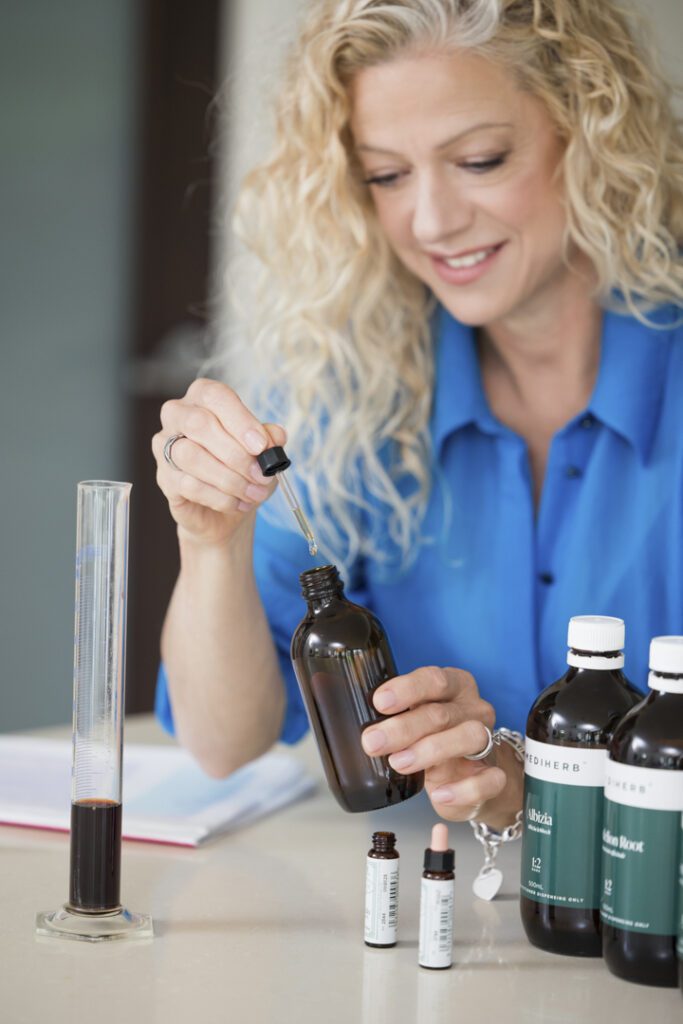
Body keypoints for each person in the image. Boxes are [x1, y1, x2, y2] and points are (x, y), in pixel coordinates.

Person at [152, 0, 683, 839]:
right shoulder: (351, 394)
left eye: (478, 159)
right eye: (387, 175)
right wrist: (210, 540)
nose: (430, 221)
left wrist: (527, 779)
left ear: (587, 135)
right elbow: (224, 743)